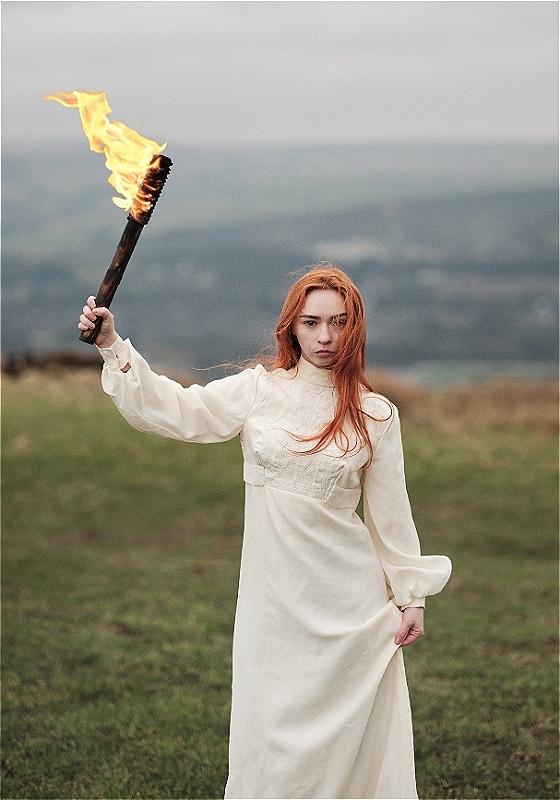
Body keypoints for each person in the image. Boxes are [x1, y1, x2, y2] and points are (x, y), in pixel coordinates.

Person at [78, 264, 452, 800]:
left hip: (350, 607)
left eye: (340, 323)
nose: (326, 337)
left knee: (348, 746)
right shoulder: (259, 391)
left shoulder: (376, 415)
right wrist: (113, 344)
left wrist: (411, 596)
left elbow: (391, 517)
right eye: (312, 322)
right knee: (270, 740)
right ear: (291, 327)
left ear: (355, 329)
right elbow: (179, 411)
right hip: (274, 604)